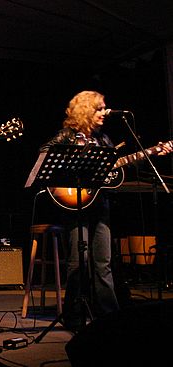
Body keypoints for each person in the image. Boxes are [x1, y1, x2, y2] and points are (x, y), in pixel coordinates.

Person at [40, 90, 171, 330]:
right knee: (79, 261)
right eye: (99, 108)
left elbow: (112, 172)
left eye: (104, 108)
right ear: (86, 110)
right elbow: (45, 156)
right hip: (74, 205)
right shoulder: (66, 136)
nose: (104, 113)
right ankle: (74, 316)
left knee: (103, 263)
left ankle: (109, 318)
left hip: (100, 206)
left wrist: (151, 152)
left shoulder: (105, 140)